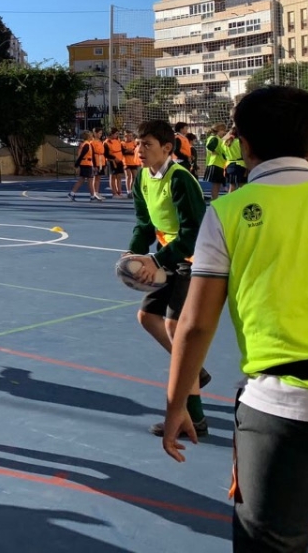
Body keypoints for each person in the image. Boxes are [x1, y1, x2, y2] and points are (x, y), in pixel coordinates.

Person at [161, 86, 308, 553]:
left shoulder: (227, 212)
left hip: (283, 410)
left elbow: (194, 323)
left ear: (243, 143)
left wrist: (177, 407)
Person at [126, 119, 210, 437]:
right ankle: (194, 370)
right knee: (148, 317)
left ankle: (197, 418)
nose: (139, 150)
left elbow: (193, 233)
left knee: (177, 329)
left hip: (193, 260)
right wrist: (134, 253)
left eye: (146, 144)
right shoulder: (142, 179)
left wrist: (155, 259)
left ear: (167, 148)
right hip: (169, 259)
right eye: (137, 144)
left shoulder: (181, 180)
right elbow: (144, 223)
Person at [68, 130, 100, 202]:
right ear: (88, 137)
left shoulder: (88, 144)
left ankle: (72, 193)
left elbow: (92, 156)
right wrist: (76, 164)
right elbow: (82, 155)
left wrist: (95, 165)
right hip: (86, 164)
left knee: (81, 180)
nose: (92, 136)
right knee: (90, 181)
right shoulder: (86, 145)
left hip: (87, 164)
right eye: (91, 135)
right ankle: (92, 196)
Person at [202, 124, 228, 201]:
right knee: (216, 184)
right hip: (216, 163)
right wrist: (214, 151)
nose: (224, 132)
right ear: (219, 130)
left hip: (216, 163)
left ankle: (215, 198)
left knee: (217, 184)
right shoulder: (215, 138)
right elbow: (209, 146)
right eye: (223, 130)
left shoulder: (213, 138)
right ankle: (214, 199)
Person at [222, 128, 247, 192]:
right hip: (241, 165)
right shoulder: (240, 142)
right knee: (242, 186)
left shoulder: (225, 143)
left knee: (232, 186)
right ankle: (242, 201)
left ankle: (230, 201)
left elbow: (223, 154)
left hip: (229, 165)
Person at [121, 130, 141, 198]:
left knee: (135, 176)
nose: (129, 137)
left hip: (133, 162)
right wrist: (129, 151)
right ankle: (128, 191)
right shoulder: (122, 143)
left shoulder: (134, 143)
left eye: (130, 136)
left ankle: (133, 190)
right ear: (125, 136)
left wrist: (130, 151)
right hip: (126, 162)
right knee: (128, 176)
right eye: (127, 136)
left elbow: (135, 151)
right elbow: (124, 152)